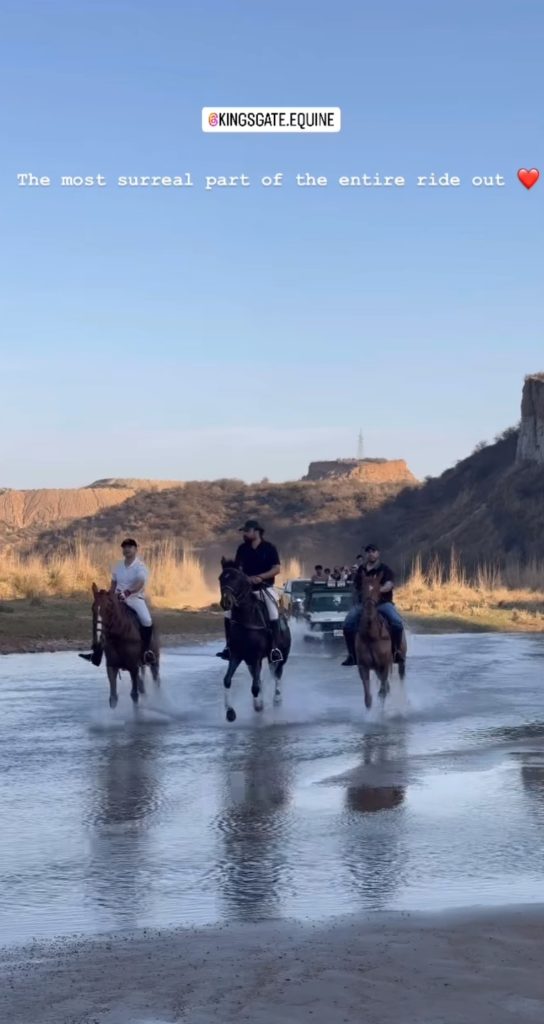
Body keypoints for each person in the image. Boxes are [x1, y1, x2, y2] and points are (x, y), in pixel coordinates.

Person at [217, 519, 284, 663]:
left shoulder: (269, 548)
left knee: (273, 612)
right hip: (245, 591)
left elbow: (276, 569)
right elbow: (238, 569)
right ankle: (229, 647)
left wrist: (260, 577)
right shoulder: (242, 549)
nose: (245, 534)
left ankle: (274, 648)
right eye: (244, 532)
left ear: (256, 531)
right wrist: (243, 578)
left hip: (265, 588)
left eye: (247, 531)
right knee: (228, 613)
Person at [79, 538, 155, 665]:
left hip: (134, 598)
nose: (127, 549)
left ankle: (146, 652)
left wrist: (128, 592)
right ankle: (96, 654)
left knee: (147, 620)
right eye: (124, 547)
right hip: (117, 598)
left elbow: (140, 583)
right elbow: (114, 582)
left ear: (135, 549)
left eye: (130, 547)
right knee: (101, 619)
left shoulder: (140, 567)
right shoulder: (118, 566)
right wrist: (111, 594)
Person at [341, 544, 405, 666]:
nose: (370, 554)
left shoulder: (385, 569)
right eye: (368, 551)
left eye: (373, 551)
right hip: (363, 604)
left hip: (382, 603)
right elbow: (356, 586)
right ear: (366, 554)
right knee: (348, 624)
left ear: (378, 553)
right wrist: (359, 594)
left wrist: (377, 590)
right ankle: (352, 655)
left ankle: (396, 651)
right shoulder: (361, 570)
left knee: (397, 622)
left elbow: (389, 585)